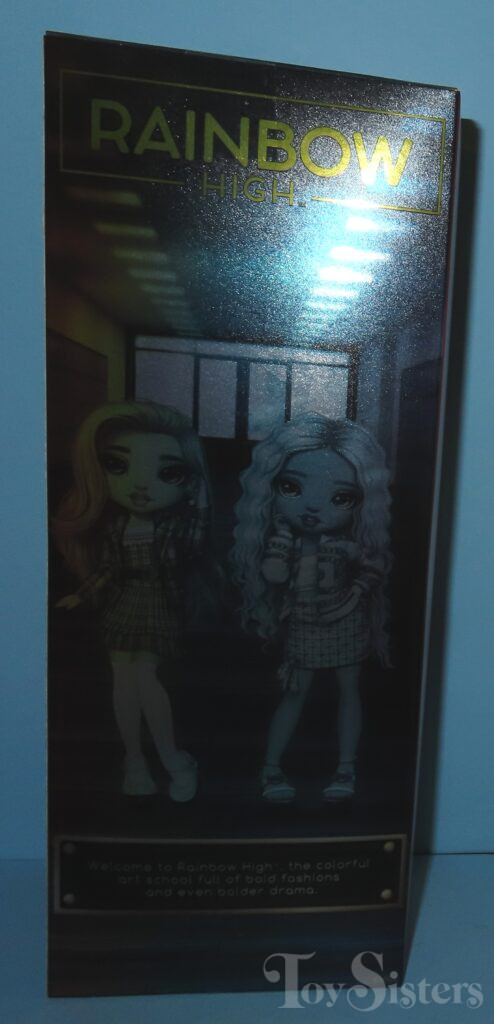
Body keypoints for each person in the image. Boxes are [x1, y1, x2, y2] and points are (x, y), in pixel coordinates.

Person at [53, 400, 214, 802]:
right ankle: (135, 760)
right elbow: (110, 569)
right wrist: (82, 594)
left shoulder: (176, 526)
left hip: (158, 600)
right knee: (123, 677)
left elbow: (194, 547)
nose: (141, 485)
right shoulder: (117, 526)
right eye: (118, 465)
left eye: (168, 472)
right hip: (124, 602)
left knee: (145, 675)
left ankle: (174, 760)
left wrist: (200, 500)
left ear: (188, 480)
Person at [232, 413, 391, 803]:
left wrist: (355, 593)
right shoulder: (285, 540)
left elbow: (372, 566)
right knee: (295, 691)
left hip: (345, 620)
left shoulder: (346, 545)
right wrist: (281, 543)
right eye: (291, 487)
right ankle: (271, 767)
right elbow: (272, 573)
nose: (314, 507)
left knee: (348, 689)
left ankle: (346, 767)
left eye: (340, 497)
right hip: (303, 621)